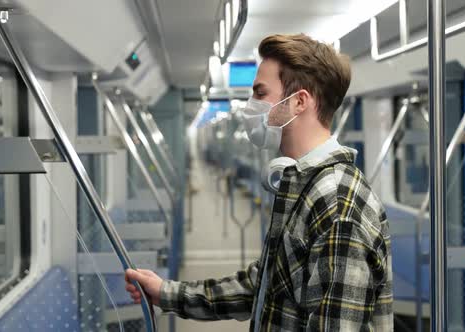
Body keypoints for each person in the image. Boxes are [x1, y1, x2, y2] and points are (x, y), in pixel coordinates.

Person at [125, 34, 393, 331]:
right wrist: (167, 293)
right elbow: (267, 285)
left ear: (299, 102)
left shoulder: (338, 205)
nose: (250, 106)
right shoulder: (304, 184)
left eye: (260, 93)